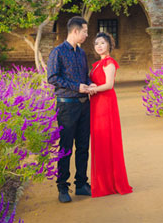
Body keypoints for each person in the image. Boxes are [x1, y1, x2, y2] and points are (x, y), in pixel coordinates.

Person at [46, 16, 94, 203]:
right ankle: (62, 187)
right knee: (66, 148)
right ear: (75, 31)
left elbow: (85, 76)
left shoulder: (81, 53)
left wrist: (90, 84)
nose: (87, 34)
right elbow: (52, 78)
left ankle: (81, 184)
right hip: (67, 106)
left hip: (84, 105)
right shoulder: (57, 52)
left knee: (83, 147)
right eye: (85, 31)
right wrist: (77, 86)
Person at [88, 32, 133, 197]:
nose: (99, 46)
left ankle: (111, 183)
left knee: (106, 139)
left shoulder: (109, 62)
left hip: (105, 104)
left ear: (109, 45)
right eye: (96, 43)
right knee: (99, 140)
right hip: (96, 103)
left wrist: (92, 89)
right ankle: (102, 181)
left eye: (102, 43)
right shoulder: (97, 64)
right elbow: (97, 81)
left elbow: (109, 85)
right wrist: (92, 84)